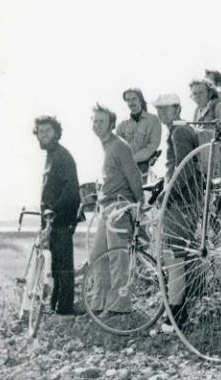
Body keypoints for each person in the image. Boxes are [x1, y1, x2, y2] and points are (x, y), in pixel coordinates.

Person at [85, 104, 144, 316]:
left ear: (111, 124)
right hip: (106, 207)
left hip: (120, 206)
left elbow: (134, 177)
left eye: (101, 121)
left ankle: (119, 307)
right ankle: (99, 303)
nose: (96, 125)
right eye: (94, 121)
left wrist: (139, 206)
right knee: (97, 257)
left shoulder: (119, 146)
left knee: (118, 258)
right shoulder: (105, 146)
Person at [152, 93, 200, 329]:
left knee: (175, 259)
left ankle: (175, 314)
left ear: (177, 109)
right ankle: (178, 312)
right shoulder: (180, 130)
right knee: (178, 257)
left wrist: (167, 192)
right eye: (158, 109)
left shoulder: (179, 131)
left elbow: (185, 168)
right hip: (185, 201)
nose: (161, 113)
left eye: (166, 109)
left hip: (181, 202)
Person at [34, 115, 81, 316]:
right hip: (52, 219)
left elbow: (71, 191)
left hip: (60, 219)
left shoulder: (62, 156)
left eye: (48, 131)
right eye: (40, 132)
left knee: (63, 266)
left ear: (56, 132)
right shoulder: (51, 155)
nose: (43, 135)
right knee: (56, 265)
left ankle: (65, 310)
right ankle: (56, 306)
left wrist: (54, 214)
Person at [115, 88, 162, 178]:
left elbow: (153, 145)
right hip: (125, 169)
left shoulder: (153, 120)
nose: (131, 103)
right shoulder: (121, 125)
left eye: (134, 99)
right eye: (128, 100)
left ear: (141, 100)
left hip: (146, 167)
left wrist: (133, 160)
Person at [190, 77, 221, 143]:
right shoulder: (197, 111)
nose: (197, 97)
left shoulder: (220, 107)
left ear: (210, 93)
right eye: (195, 94)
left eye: (201, 93)